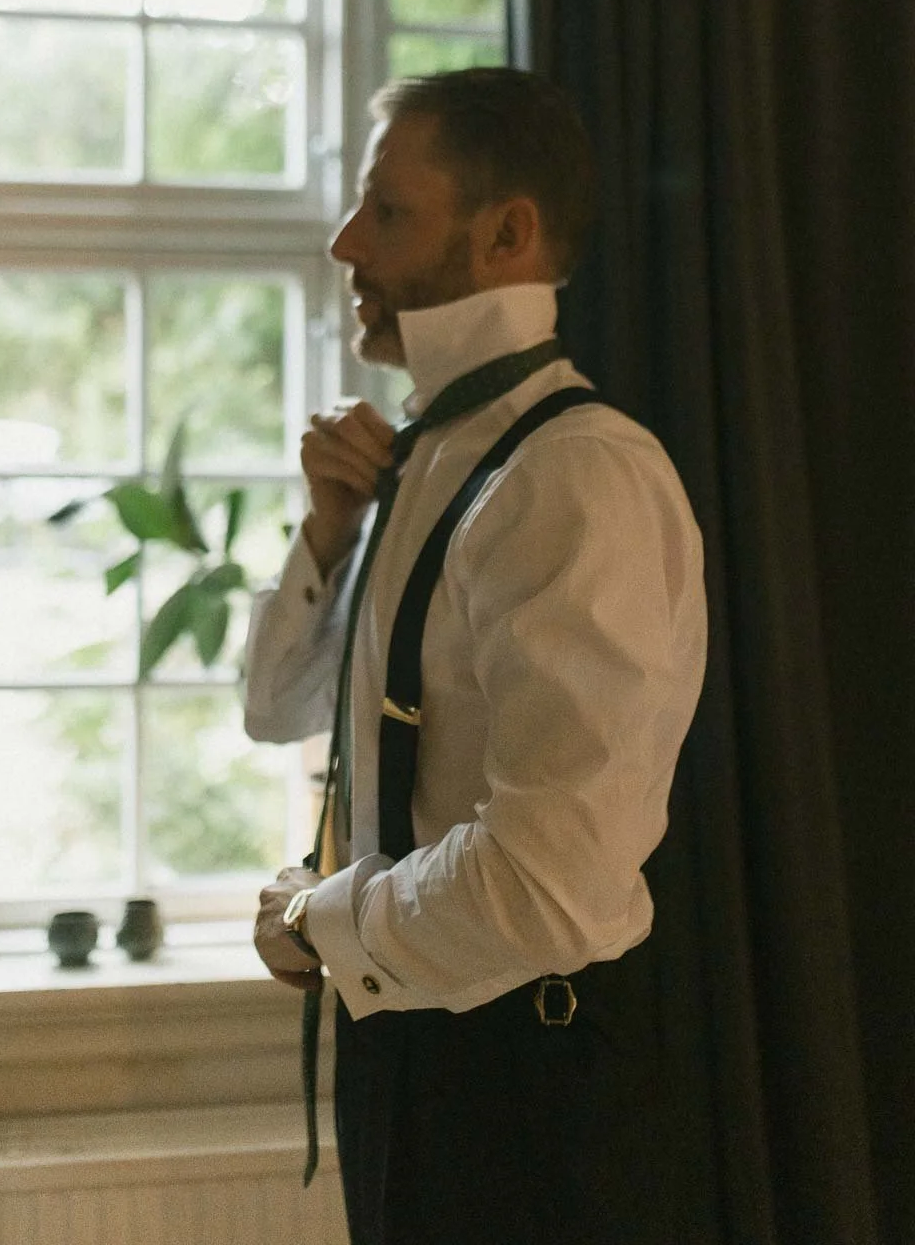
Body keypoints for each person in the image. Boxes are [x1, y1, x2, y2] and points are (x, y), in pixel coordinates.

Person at [245, 67, 707, 1245]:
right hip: (410, 1056)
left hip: (524, 1092)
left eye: (387, 212)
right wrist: (326, 535)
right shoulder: (424, 460)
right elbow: (278, 706)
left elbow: (548, 884)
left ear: (508, 234)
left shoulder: (573, 477)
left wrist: (321, 924)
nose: (346, 240)